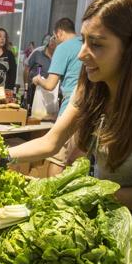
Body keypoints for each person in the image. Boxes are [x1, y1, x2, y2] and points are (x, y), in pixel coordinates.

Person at [0, 0, 132, 264]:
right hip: (97, 209)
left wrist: (80, 190)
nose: (82, 54)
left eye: (97, 44)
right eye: (84, 40)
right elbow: (51, 141)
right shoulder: (92, 87)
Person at [32, 17, 83, 175]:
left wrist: (38, 80)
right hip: (92, 108)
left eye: (54, 37)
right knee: (78, 159)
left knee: (57, 156)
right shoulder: (86, 44)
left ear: (59, 33)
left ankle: (52, 197)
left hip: (72, 105)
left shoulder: (64, 47)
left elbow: (50, 84)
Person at [23, 36, 58, 114]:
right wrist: (26, 86)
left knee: (45, 115)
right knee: (29, 112)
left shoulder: (59, 56)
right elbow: (27, 68)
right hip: (33, 89)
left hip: (49, 92)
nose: (53, 42)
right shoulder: (37, 52)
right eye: (52, 39)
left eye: (56, 40)